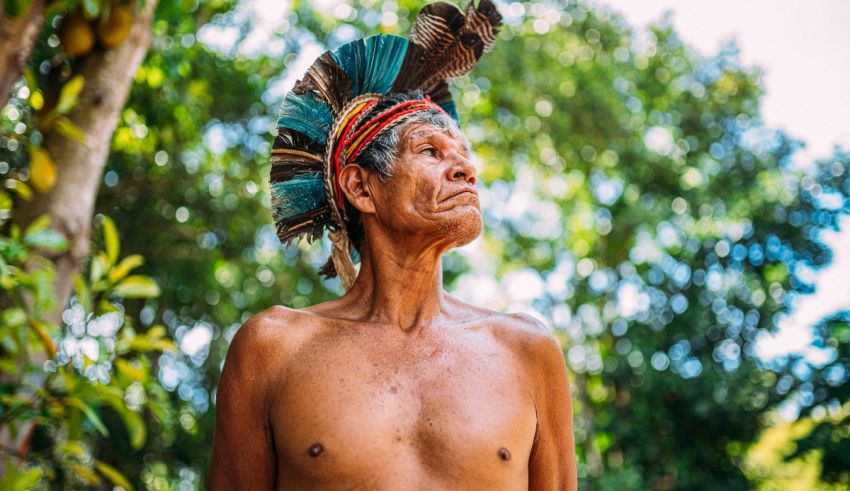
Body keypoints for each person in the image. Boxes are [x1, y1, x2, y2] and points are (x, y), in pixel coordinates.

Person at [208, 2, 577, 489]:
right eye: (430, 150)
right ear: (362, 188)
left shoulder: (527, 351)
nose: (466, 169)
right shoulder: (273, 349)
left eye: (464, 155)